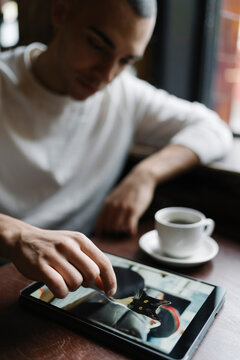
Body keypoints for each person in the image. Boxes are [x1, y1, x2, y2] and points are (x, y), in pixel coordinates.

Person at [0, 0, 232, 299]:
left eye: (126, 60)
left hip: (72, 288)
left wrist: (145, 175)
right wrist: (16, 234)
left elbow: (213, 128)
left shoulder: (124, 94)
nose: (107, 74)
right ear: (60, 12)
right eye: (97, 45)